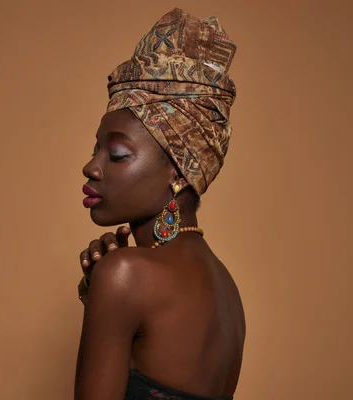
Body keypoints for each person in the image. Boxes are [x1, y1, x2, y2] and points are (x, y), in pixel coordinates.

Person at [74, 8, 245, 400]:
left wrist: (108, 291)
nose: (91, 166)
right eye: (96, 149)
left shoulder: (125, 276)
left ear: (179, 170)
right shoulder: (227, 292)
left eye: (116, 154)